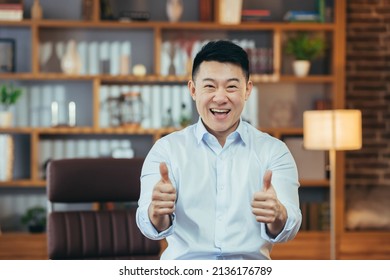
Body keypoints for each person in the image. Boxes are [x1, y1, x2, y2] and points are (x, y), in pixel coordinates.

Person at [136, 40, 302, 260]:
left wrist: (278, 215)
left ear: (247, 90)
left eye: (232, 86)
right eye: (210, 86)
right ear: (193, 90)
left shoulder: (274, 151)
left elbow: (289, 227)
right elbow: (148, 225)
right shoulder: (166, 151)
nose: (221, 97)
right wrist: (157, 212)